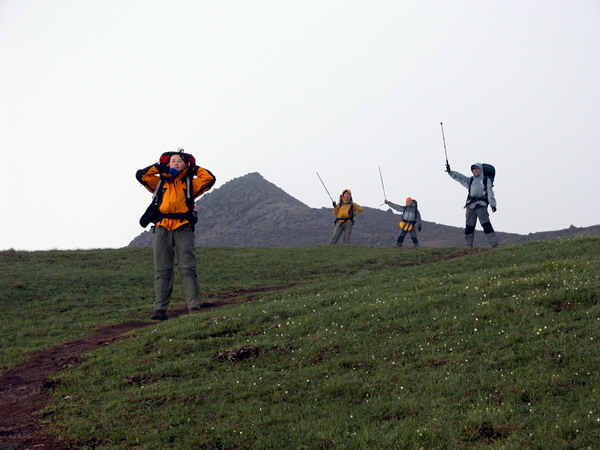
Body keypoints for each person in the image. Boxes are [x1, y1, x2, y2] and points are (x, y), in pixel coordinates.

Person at [136, 150, 216, 320]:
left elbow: (209, 178)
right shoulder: (159, 182)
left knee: (188, 268)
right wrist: (159, 167)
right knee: (162, 269)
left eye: (180, 161)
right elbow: (141, 175)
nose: (176, 163)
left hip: (183, 227)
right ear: (168, 163)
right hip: (162, 228)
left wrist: (193, 169)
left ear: (185, 164)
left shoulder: (189, 183)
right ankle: (160, 310)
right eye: (173, 161)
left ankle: (194, 307)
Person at [446, 162, 499, 248]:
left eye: (477, 169)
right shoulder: (470, 180)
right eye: (473, 169)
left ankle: (494, 244)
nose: (475, 171)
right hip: (470, 206)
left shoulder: (486, 180)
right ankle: (468, 245)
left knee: (486, 225)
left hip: (481, 205)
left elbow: (490, 193)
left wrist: (493, 205)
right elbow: (460, 177)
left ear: (481, 170)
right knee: (469, 227)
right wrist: (450, 172)